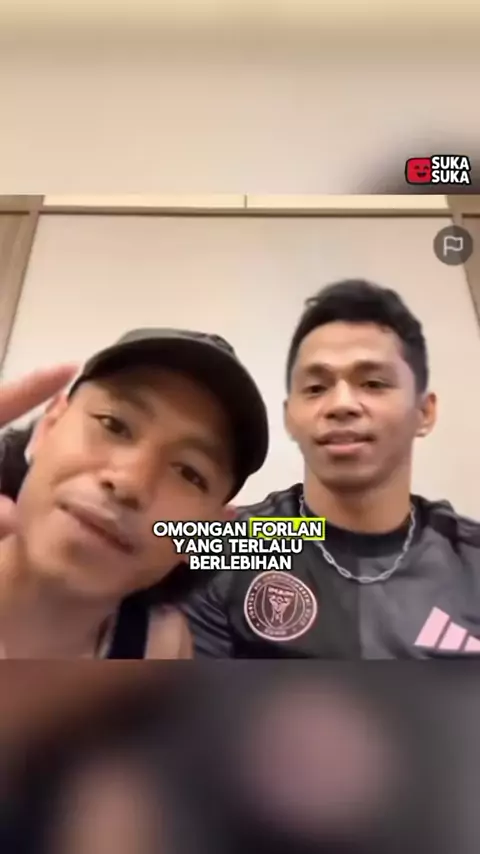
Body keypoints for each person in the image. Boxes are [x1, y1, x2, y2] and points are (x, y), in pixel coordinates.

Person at [184, 279, 480, 659]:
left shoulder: (470, 561)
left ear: (424, 412)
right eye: (315, 388)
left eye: (373, 383)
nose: (341, 404)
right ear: (289, 417)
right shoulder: (227, 549)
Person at [0, 328, 268, 659]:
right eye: (114, 424)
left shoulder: (162, 648)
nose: (131, 483)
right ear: (48, 428)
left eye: (189, 473)